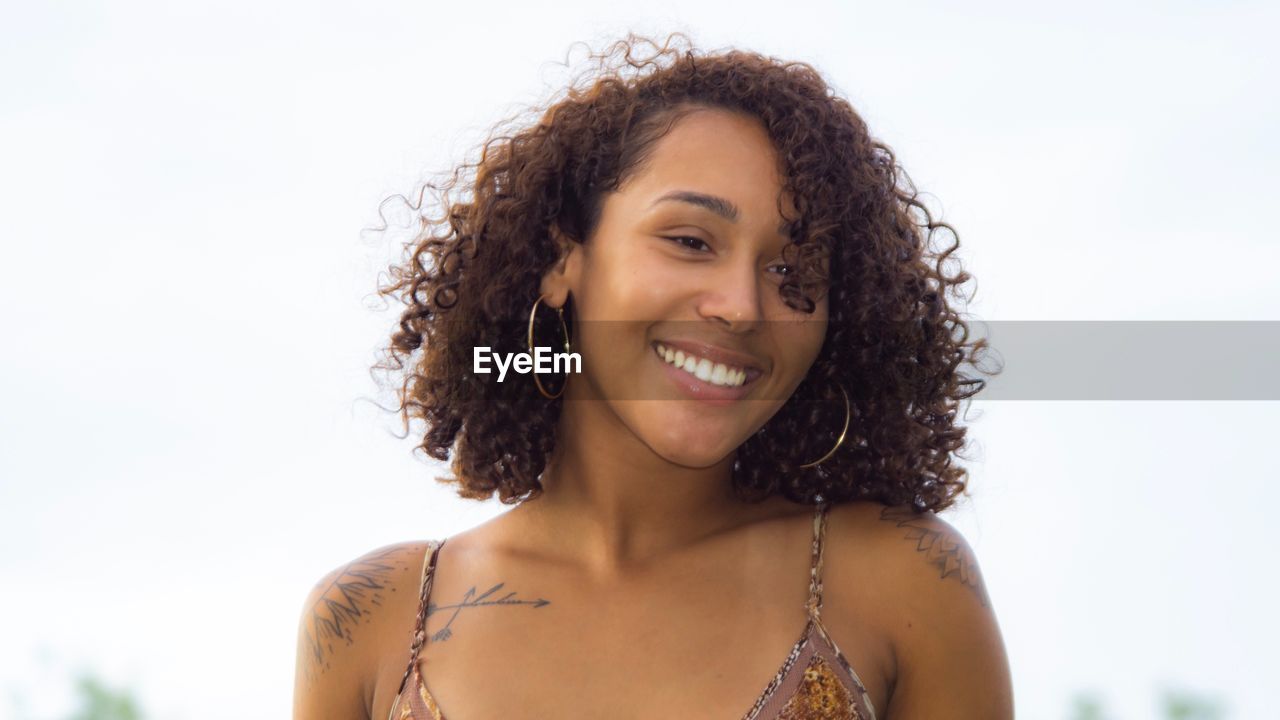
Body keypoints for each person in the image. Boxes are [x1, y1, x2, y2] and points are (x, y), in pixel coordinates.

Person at [293, 32, 1013, 720]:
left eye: (793, 270)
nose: (740, 306)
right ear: (561, 260)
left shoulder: (901, 586)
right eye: (690, 241)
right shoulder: (373, 620)